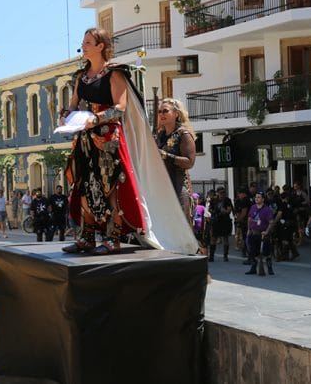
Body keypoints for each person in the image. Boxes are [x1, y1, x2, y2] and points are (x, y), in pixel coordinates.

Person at [61, 28, 198, 256]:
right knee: (83, 184)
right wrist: (66, 115)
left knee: (111, 186)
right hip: (84, 139)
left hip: (107, 139)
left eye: (88, 42)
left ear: (100, 46)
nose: (83, 46)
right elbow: (74, 104)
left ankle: (112, 237)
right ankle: (86, 237)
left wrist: (96, 118)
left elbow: (120, 108)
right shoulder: (81, 76)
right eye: (83, 42)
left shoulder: (114, 74)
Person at [155, 98, 197, 224]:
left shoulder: (183, 134)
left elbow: (189, 162)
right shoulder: (160, 136)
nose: (161, 114)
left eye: (165, 111)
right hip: (162, 187)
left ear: (176, 114)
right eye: (160, 111)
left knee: (180, 227)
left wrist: (166, 155)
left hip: (178, 186)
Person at [245, 191, 274, 276]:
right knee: (253, 252)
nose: (256, 199)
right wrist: (248, 229)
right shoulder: (253, 207)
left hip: (263, 234)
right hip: (253, 233)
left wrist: (267, 231)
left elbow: (271, 222)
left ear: (263, 199)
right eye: (256, 197)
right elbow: (249, 219)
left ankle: (269, 268)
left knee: (266, 252)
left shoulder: (267, 210)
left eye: (258, 197)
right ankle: (253, 268)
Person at [208, 186, 233, 262]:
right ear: (218, 193)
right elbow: (210, 209)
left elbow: (229, 210)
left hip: (225, 221)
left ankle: (225, 256)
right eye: (221, 193)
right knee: (213, 238)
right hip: (216, 221)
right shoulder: (214, 200)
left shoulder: (227, 200)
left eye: (224, 192)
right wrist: (213, 211)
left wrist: (224, 211)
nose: (223, 194)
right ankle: (211, 256)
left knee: (225, 238)